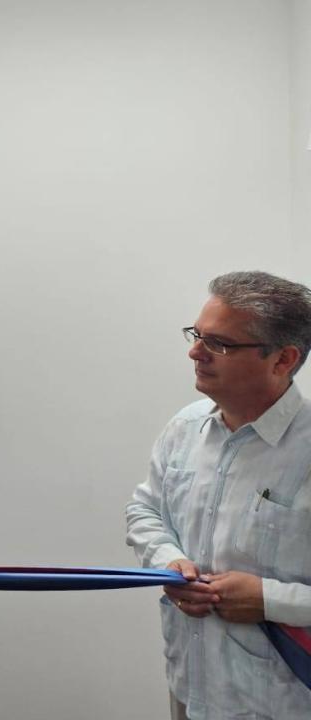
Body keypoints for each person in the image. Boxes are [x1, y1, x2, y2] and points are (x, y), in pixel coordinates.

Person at [127, 271, 311, 719]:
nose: (195, 352)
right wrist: (167, 564)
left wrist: (270, 600)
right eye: (197, 335)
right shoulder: (186, 427)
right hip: (191, 691)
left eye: (220, 344)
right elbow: (145, 509)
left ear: (282, 359)